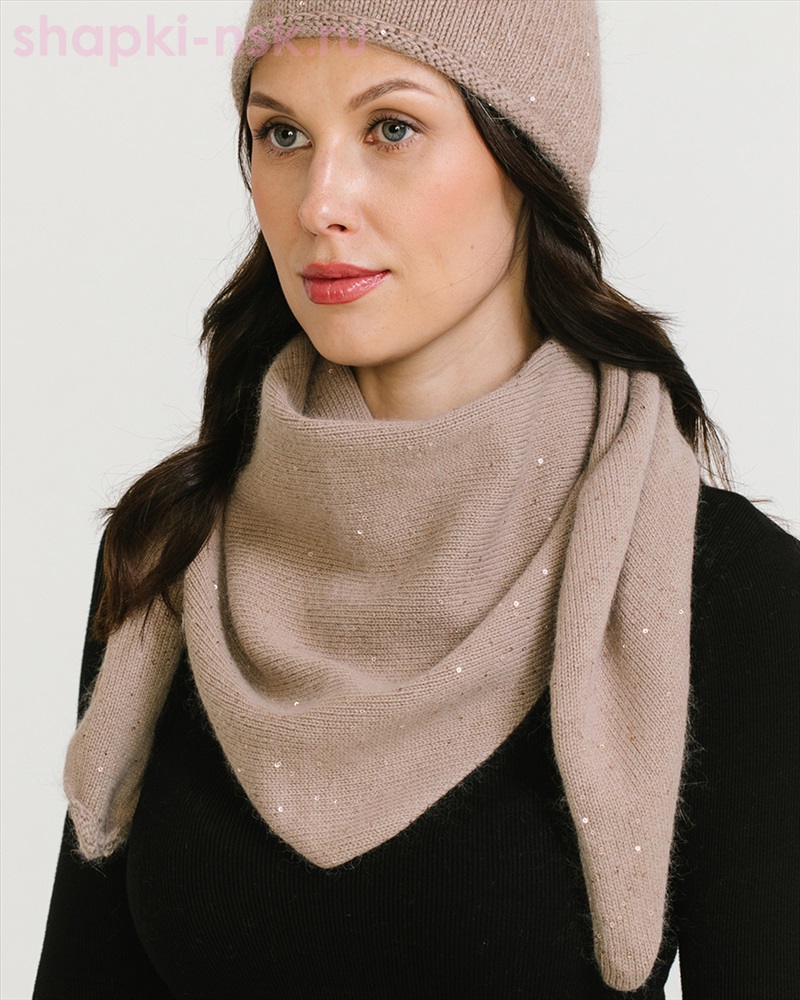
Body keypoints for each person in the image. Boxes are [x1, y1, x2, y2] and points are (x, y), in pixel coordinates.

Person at [33, 1, 799, 998]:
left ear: (528, 157)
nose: (319, 202)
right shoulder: (172, 552)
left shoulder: (724, 593)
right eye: (282, 134)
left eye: (390, 128)